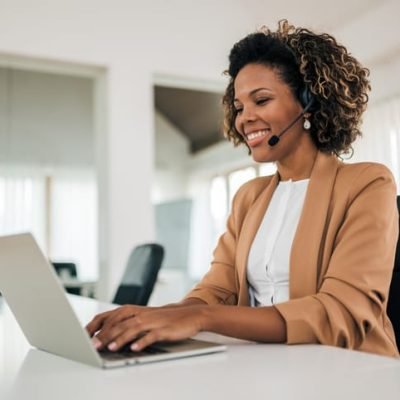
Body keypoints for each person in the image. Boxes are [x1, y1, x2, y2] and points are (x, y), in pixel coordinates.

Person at [87, 20, 399, 357]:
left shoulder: (368, 183)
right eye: (239, 107)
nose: (244, 118)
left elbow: (342, 313)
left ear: (309, 102)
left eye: (261, 101)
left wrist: (201, 318)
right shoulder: (249, 196)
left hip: (350, 371)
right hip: (266, 365)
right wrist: (160, 316)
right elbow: (217, 289)